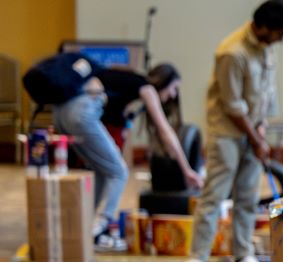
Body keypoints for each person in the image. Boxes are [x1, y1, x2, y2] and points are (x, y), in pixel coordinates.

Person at [182, 0, 283, 262]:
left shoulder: (267, 48)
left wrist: (260, 130)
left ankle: (242, 254)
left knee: (247, 195)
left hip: (252, 130)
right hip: (226, 132)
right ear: (262, 27)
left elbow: (266, 93)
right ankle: (197, 257)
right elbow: (232, 104)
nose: (282, 39)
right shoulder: (232, 53)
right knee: (215, 193)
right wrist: (255, 136)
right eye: (280, 32)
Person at [52, 61, 203, 251]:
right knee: (120, 173)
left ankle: (86, 226)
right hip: (81, 111)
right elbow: (166, 132)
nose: (174, 95)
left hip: (61, 113)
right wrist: (187, 170)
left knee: (102, 171)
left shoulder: (127, 86)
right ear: (164, 81)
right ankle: (100, 230)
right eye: (174, 88)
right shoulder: (146, 88)